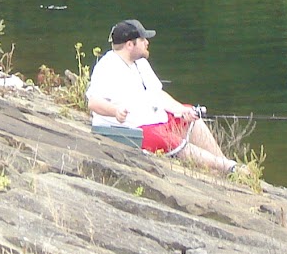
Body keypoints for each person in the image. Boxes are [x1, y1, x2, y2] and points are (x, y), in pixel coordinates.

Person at [86, 19, 236, 175]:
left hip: (155, 121)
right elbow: (93, 102)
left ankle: (223, 163)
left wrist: (181, 111)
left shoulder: (141, 63)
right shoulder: (107, 66)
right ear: (130, 44)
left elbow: (158, 94)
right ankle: (228, 167)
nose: (147, 43)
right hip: (133, 130)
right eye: (143, 39)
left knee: (191, 115)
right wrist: (115, 111)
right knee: (167, 139)